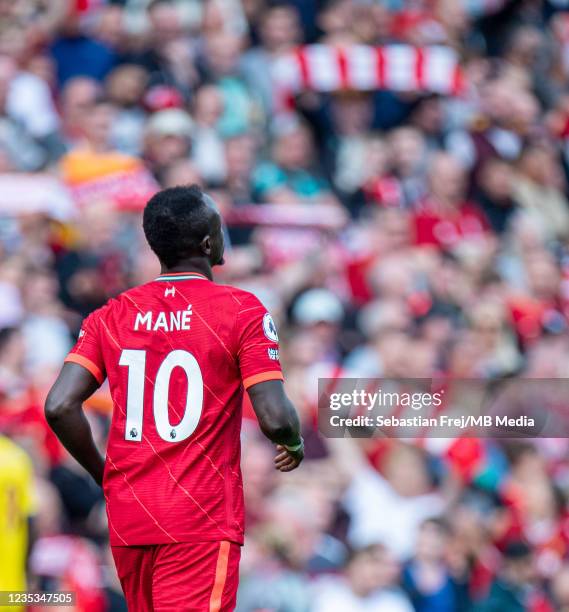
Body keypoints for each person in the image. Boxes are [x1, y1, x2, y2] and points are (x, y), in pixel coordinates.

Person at [44, 185, 304, 611]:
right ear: (207, 243)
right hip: (198, 518)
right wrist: (293, 441)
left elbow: (59, 405)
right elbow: (275, 417)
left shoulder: (112, 313)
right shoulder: (241, 310)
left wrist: (104, 475)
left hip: (131, 516)